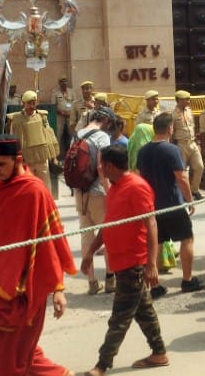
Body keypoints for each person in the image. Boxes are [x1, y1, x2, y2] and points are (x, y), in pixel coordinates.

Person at [0, 135, 74, 376]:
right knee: (18, 355)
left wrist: (58, 289)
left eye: (1, 165)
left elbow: (52, 241)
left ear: (17, 160)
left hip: (23, 293)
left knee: (7, 360)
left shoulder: (35, 191)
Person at [80, 145, 169, 375]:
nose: (98, 167)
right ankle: (159, 352)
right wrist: (90, 252)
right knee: (143, 311)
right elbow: (108, 225)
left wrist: (151, 264)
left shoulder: (137, 187)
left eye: (101, 164)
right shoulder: (116, 187)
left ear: (109, 166)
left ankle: (102, 364)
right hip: (121, 263)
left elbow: (151, 224)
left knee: (120, 317)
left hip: (134, 263)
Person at [136, 113, 205, 294]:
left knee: (156, 243)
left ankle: (156, 285)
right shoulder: (171, 149)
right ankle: (187, 280)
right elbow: (181, 177)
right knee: (187, 238)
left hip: (152, 205)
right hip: (172, 203)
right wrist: (190, 200)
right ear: (170, 129)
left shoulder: (143, 151)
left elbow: (139, 176)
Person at [73, 107, 114, 295]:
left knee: (86, 237)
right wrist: (111, 192)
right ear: (105, 120)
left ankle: (91, 282)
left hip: (80, 192)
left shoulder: (78, 134)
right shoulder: (102, 138)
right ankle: (110, 278)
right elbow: (101, 167)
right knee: (107, 235)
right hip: (98, 192)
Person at [7, 90, 63, 197]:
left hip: (42, 159)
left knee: (45, 189)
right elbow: (12, 140)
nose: (32, 106)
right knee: (28, 189)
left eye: (34, 103)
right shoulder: (15, 119)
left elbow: (50, 137)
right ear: (23, 103)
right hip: (26, 160)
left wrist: (54, 157)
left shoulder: (42, 117)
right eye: (29, 103)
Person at [170, 91, 202, 200]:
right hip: (180, 144)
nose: (188, 101)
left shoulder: (189, 111)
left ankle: (194, 190)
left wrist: (197, 142)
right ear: (178, 100)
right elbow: (171, 132)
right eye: (186, 99)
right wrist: (172, 147)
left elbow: (193, 126)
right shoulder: (173, 114)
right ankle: (183, 193)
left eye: (188, 99)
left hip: (192, 143)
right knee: (181, 171)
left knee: (199, 166)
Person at [53, 77, 76, 149]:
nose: (64, 83)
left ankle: (73, 152)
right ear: (59, 83)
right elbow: (53, 106)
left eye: (65, 81)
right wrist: (62, 113)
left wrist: (71, 114)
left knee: (72, 135)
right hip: (60, 116)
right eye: (62, 81)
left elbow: (75, 104)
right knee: (58, 135)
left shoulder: (72, 92)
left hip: (70, 116)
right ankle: (56, 156)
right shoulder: (55, 92)